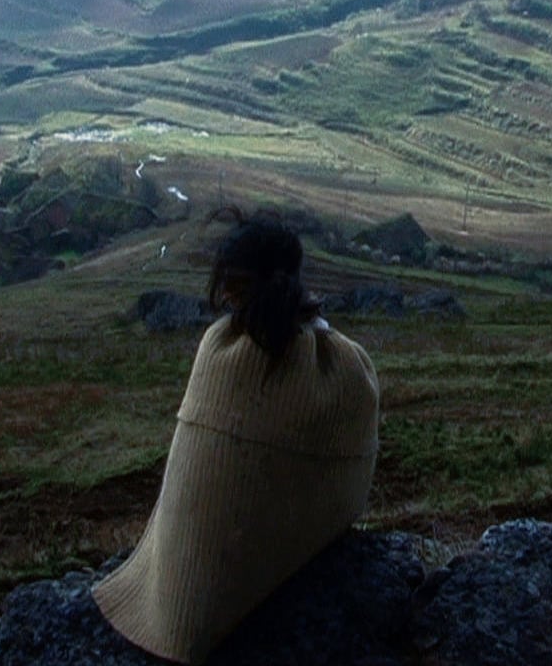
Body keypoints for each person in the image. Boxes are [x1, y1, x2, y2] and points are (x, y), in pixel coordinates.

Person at [93, 210, 381, 664]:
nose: (223, 292)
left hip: (172, 612)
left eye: (229, 281)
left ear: (243, 282)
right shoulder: (343, 367)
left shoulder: (221, 348)